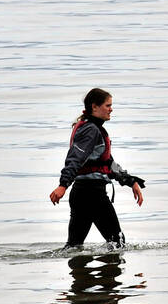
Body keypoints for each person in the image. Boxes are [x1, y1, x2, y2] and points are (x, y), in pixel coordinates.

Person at [49, 88, 144, 250]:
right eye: (108, 105)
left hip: (81, 194)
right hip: (93, 195)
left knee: (73, 247)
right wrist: (63, 185)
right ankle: (110, 274)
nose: (111, 109)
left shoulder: (93, 129)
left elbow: (108, 164)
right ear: (94, 107)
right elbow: (75, 158)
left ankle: (80, 274)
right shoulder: (90, 130)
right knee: (117, 244)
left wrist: (131, 181)